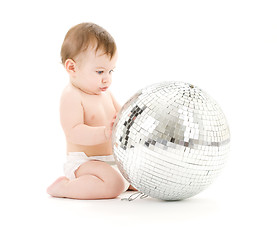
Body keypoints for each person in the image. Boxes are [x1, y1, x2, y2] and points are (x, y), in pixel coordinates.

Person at [47, 22, 135, 200]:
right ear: (72, 68)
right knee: (114, 184)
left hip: (113, 159)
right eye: (100, 71)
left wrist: (133, 117)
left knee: (141, 176)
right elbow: (74, 133)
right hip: (85, 162)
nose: (107, 79)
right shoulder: (72, 95)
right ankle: (64, 187)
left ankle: (123, 181)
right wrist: (104, 133)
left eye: (111, 71)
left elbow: (123, 115)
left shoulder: (106, 93)